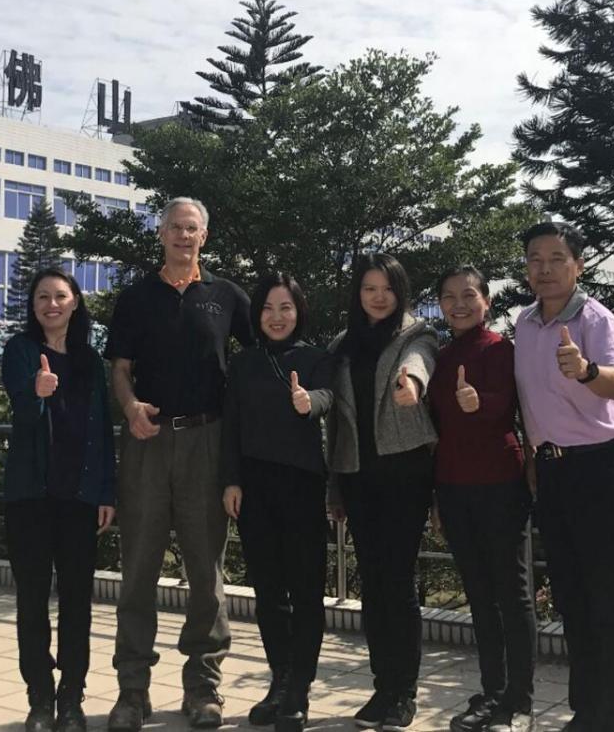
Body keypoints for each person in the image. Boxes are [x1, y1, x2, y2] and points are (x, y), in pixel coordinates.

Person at [105, 197, 252, 732]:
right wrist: (129, 406)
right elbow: (119, 369)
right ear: (161, 234)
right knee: (138, 570)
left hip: (207, 442)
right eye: (174, 228)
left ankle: (203, 687)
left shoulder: (227, 296)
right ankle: (132, 692)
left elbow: (261, 360)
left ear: (204, 237)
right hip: (146, 441)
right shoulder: (136, 297)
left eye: (192, 229)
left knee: (206, 573)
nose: (183, 236)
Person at [514, 221, 614, 732]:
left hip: (599, 468)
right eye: (535, 259)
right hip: (552, 470)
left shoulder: (596, 319)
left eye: (556, 258)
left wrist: (585, 370)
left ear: (578, 265)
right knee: (572, 597)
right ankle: (586, 711)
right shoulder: (523, 323)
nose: (544, 268)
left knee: (611, 597)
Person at [326, 252, 438, 731]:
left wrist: (411, 382)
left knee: (397, 579)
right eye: (369, 288)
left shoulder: (416, 334)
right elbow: (333, 422)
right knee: (373, 583)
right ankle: (382, 687)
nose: (378, 297)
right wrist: (334, 486)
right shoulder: (342, 345)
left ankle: (404, 691)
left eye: (386, 289)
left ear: (400, 293)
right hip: (357, 477)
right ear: (358, 293)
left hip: (405, 475)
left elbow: (420, 362)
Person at [1, 268, 116, 732]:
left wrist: (107, 491)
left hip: (81, 496)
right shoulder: (20, 351)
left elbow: (104, 430)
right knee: (31, 600)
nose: (52, 304)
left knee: (77, 601)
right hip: (30, 494)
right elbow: (19, 408)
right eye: (43, 297)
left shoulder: (92, 360)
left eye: (61, 296)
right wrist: (36, 391)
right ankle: (39, 698)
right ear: (33, 306)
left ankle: (72, 696)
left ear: (75, 303)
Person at [221, 273, 331, 732]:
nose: (276, 316)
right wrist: (231, 481)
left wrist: (311, 402)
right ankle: (280, 681)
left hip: (303, 485)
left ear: (298, 310)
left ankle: (299, 689)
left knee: (305, 593)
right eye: (267, 307)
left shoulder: (317, 357)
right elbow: (232, 426)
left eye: (285, 307)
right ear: (257, 314)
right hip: (255, 487)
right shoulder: (243, 363)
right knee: (268, 594)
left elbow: (331, 398)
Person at [428, 266, 536, 732]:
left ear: (486, 301)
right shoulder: (442, 353)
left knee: (510, 593)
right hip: (453, 486)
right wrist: (436, 497)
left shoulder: (501, 349)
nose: (459, 304)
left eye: (468, 295)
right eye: (449, 297)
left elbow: (508, 404)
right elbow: (439, 429)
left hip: (499, 482)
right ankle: (493, 692)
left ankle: (520, 700)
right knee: (478, 594)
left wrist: (481, 402)